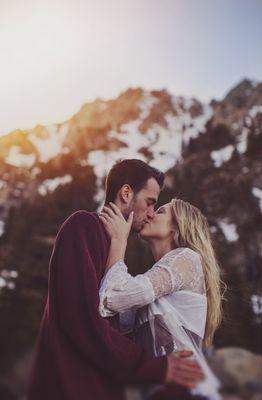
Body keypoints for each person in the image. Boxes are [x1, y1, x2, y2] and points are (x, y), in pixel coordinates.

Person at [27, 159, 204, 400]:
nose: (151, 213)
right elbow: (82, 320)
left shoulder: (115, 252)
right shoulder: (83, 226)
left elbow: (115, 328)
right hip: (68, 387)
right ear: (126, 193)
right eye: (150, 203)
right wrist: (157, 367)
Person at [99, 198, 224, 400]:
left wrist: (119, 241)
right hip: (163, 391)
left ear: (176, 227)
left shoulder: (187, 258)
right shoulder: (156, 284)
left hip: (189, 391)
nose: (150, 214)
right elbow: (111, 312)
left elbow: (112, 297)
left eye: (160, 211)